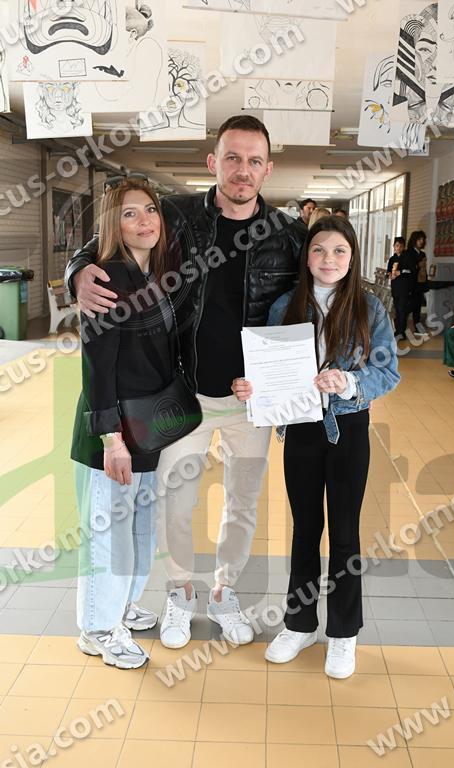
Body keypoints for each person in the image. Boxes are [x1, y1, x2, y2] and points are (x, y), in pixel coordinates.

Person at [65, 115, 305, 649]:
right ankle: (179, 592)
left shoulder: (289, 235)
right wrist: (76, 272)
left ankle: (224, 591)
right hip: (182, 392)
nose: (242, 170)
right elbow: (107, 238)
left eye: (254, 161)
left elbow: (319, 294)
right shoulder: (175, 216)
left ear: (268, 169)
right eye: (233, 158)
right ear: (213, 162)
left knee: (242, 505)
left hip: (251, 402)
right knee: (175, 504)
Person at [232, 216, 399, 678]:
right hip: (302, 429)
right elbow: (266, 371)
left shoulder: (369, 307)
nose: (329, 259)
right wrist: (251, 389)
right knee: (305, 530)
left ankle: (343, 634)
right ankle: (299, 624)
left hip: (348, 429)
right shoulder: (286, 305)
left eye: (339, 251)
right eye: (319, 250)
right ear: (306, 257)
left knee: (344, 533)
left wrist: (349, 382)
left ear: (352, 257)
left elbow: (388, 371)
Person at [71, 178, 178, 668]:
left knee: (139, 531)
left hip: (147, 426)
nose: (144, 221)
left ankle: (122, 607)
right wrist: (111, 440)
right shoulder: (108, 278)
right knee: (109, 535)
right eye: (130, 213)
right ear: (113, 225)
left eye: (150, 210)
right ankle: (97, 627)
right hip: (113, 430)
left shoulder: (153, 273)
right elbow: (97, 365)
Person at [406, 230, 429, 336]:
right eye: (419, 239)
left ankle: (418, 329)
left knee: (417, 308)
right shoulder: (409, 252)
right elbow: (410, 268)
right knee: (409, 307)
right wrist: (417, 266)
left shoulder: (422, 254)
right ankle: (400, 328)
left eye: (423, 239)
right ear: (414, 240)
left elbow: (424, 270)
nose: (421, 241)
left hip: (420, 284)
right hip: (411, 284)